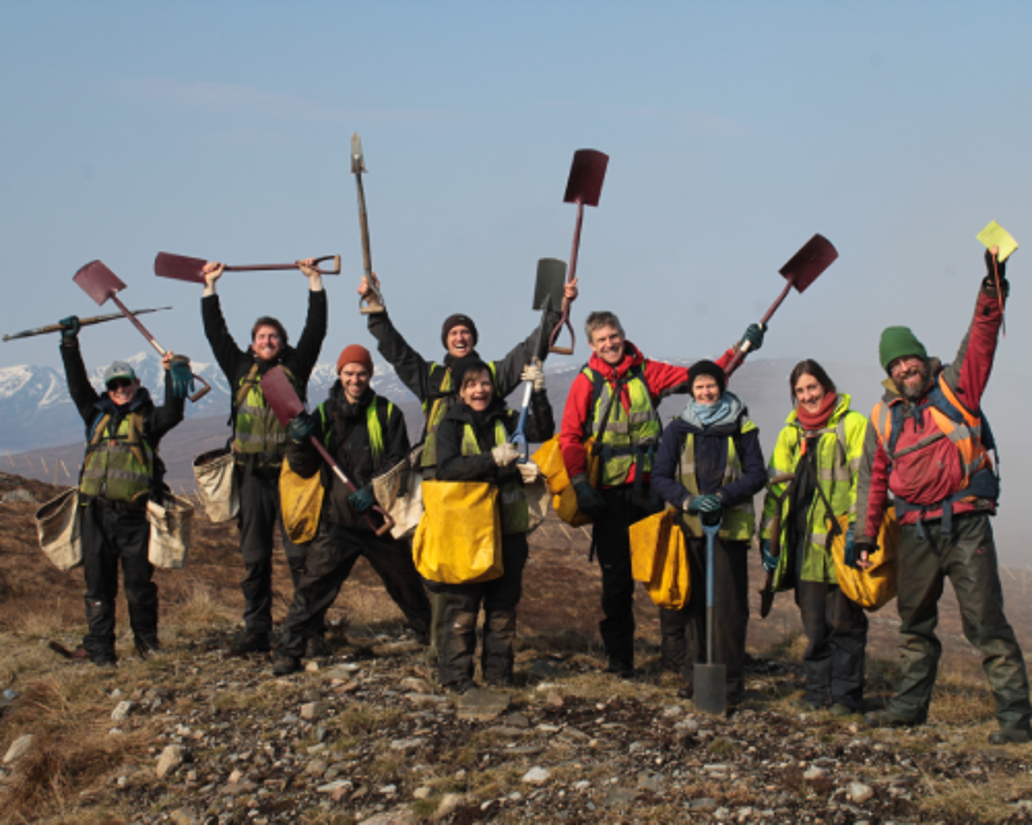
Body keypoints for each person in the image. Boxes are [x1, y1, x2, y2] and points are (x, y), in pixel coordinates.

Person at [855, 248, 1031, 745]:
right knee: (913, 623)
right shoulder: (883, 416)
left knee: (986, 623)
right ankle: (909, 711)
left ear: (921, 356)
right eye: (895, 362)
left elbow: (981, 340)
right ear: (888, 370)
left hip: (965, 524)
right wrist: (863, 536)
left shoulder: (957, 388)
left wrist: (991, 289)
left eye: (909, 357)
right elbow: (872, 480)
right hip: (912, 530)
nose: (905, 366)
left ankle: (1016, 720)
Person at [356, 272, 577, 662]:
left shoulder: (493, 375)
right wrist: (376, 311)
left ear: (473, 338)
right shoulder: (431, 378)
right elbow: (397, 351)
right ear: (446, 341)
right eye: (453, 333)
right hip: (440, 485)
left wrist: (558, 310)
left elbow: (529, 349)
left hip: (487, 487)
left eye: (465, 332)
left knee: (487, 561)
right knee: (444, 565)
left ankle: (475, 653)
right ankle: (444, 648)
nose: (460, 337)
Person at [559, 310, 764, 676]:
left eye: (614, 336)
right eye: (602, 340)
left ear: (623, 334)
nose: (610, 344)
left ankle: (676, 661)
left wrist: (740, 349)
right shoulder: (586, 382)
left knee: (668, 574)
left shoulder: (647, 371)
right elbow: (571, 436)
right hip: (607, 494)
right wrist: (579, 481)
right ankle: (621, 662)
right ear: (592, 345)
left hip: (652, 490)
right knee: (616, 580)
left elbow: (701, 379)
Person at [272, 345, 432, 675]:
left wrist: (371, 489)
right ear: (340, 375)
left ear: (369, 375)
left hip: (379, 522)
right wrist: (299, 442)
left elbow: (398, 460)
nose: (355, 378)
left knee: (406, 584)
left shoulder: (388, 413)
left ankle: (434, 638)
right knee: (313, 587)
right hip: (338, 522)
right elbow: (303, 468)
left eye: (361, 373)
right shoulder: (323, 414)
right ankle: (289, 651)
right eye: (349, 373)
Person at [201, 258, 327, 657]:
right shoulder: (238, 366)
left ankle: (308, 631)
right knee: (254, 560)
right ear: (252, 342)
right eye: (261, 336)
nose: (267, 341)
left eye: (273, 336)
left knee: (299, 558)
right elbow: (214, 333)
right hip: (251, 477)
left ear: (282, 342)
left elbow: (316, 329)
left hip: (291, 476)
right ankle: (256, 632)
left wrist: (314, 282)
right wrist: (210, 287)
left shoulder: (296, 366)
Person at [58, 315, 189, 666]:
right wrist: (69, 345)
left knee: (139, 586)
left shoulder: (148, 419)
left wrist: (171, 373)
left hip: (134, 516)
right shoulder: (94, 414)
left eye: (125, 383)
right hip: (94, 514)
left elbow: (174, 413)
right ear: (108, 388)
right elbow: (76, 385)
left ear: (136, 383)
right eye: (114, 385)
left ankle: (147, 645)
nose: (120, 390)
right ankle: (101, 650)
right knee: (98, 587)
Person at [433, 357, 553, 692]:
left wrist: (539, 394)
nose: (479, 390)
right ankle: (456, 677)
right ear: (461, 392)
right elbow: (447, 469)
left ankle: (499, 676)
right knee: (463, 607)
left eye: (484, 382)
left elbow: (542, 431)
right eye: (471, 384)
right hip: (468, 533)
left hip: (508, 529)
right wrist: (490, 460)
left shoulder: (509, 418)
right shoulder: (450, 425)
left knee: (503, 608)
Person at [650, 360, 766, 705]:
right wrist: (686, 501)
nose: (705, 392)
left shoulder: (742, 427)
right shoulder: (678, 429)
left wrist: (722, 498)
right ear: (691, 390)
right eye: (699, 387)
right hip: (688, 531)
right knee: (693, 605)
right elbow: (660, 476)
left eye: (711, 385)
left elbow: (757, 474)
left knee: (728, 609)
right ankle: (694, 676)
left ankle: (729, 682)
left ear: (721, 386)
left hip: (727, 532)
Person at [759, 360, 868, 714]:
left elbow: (863, 483)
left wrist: (859, 530)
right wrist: (766, 539)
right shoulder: (790, 432)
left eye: (812, 388)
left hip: (839, 545)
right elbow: (775, 491)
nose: (807, 396)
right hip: (802, 546)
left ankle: (846, 697)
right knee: (814, 624)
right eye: (800, 391)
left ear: (826, 385)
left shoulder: (852, 425)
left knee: (845, 623)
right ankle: (819, 693)